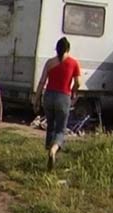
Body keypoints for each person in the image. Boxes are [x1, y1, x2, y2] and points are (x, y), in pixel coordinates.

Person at [33, 37, 81, 170]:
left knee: (50, 125)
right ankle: (53, 150)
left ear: (57, 49)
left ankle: (49, 148)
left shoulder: (49, 63)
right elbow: (78, 82)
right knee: (60, 129)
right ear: (68, 49)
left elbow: (42, 82)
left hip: (48, 96)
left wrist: (36, 99)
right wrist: (74, 92)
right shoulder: (74, 63)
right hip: (63, 97)